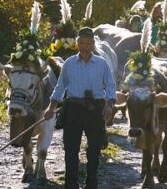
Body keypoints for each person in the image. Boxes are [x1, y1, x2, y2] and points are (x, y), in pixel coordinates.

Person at [44, 27, 116, 189]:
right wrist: (51, 107)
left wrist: (110, 105)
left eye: (88, 43)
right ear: (77, 43)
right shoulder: (69, 64)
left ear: (93, 44)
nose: (85, 47)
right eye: (82, 43)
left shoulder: (102, 64)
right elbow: (60, 87)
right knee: (70, 149)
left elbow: (111, 86)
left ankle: (91, 183)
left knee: (94, 150)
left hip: (95, 110)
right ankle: (71, 184)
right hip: (73, 109)